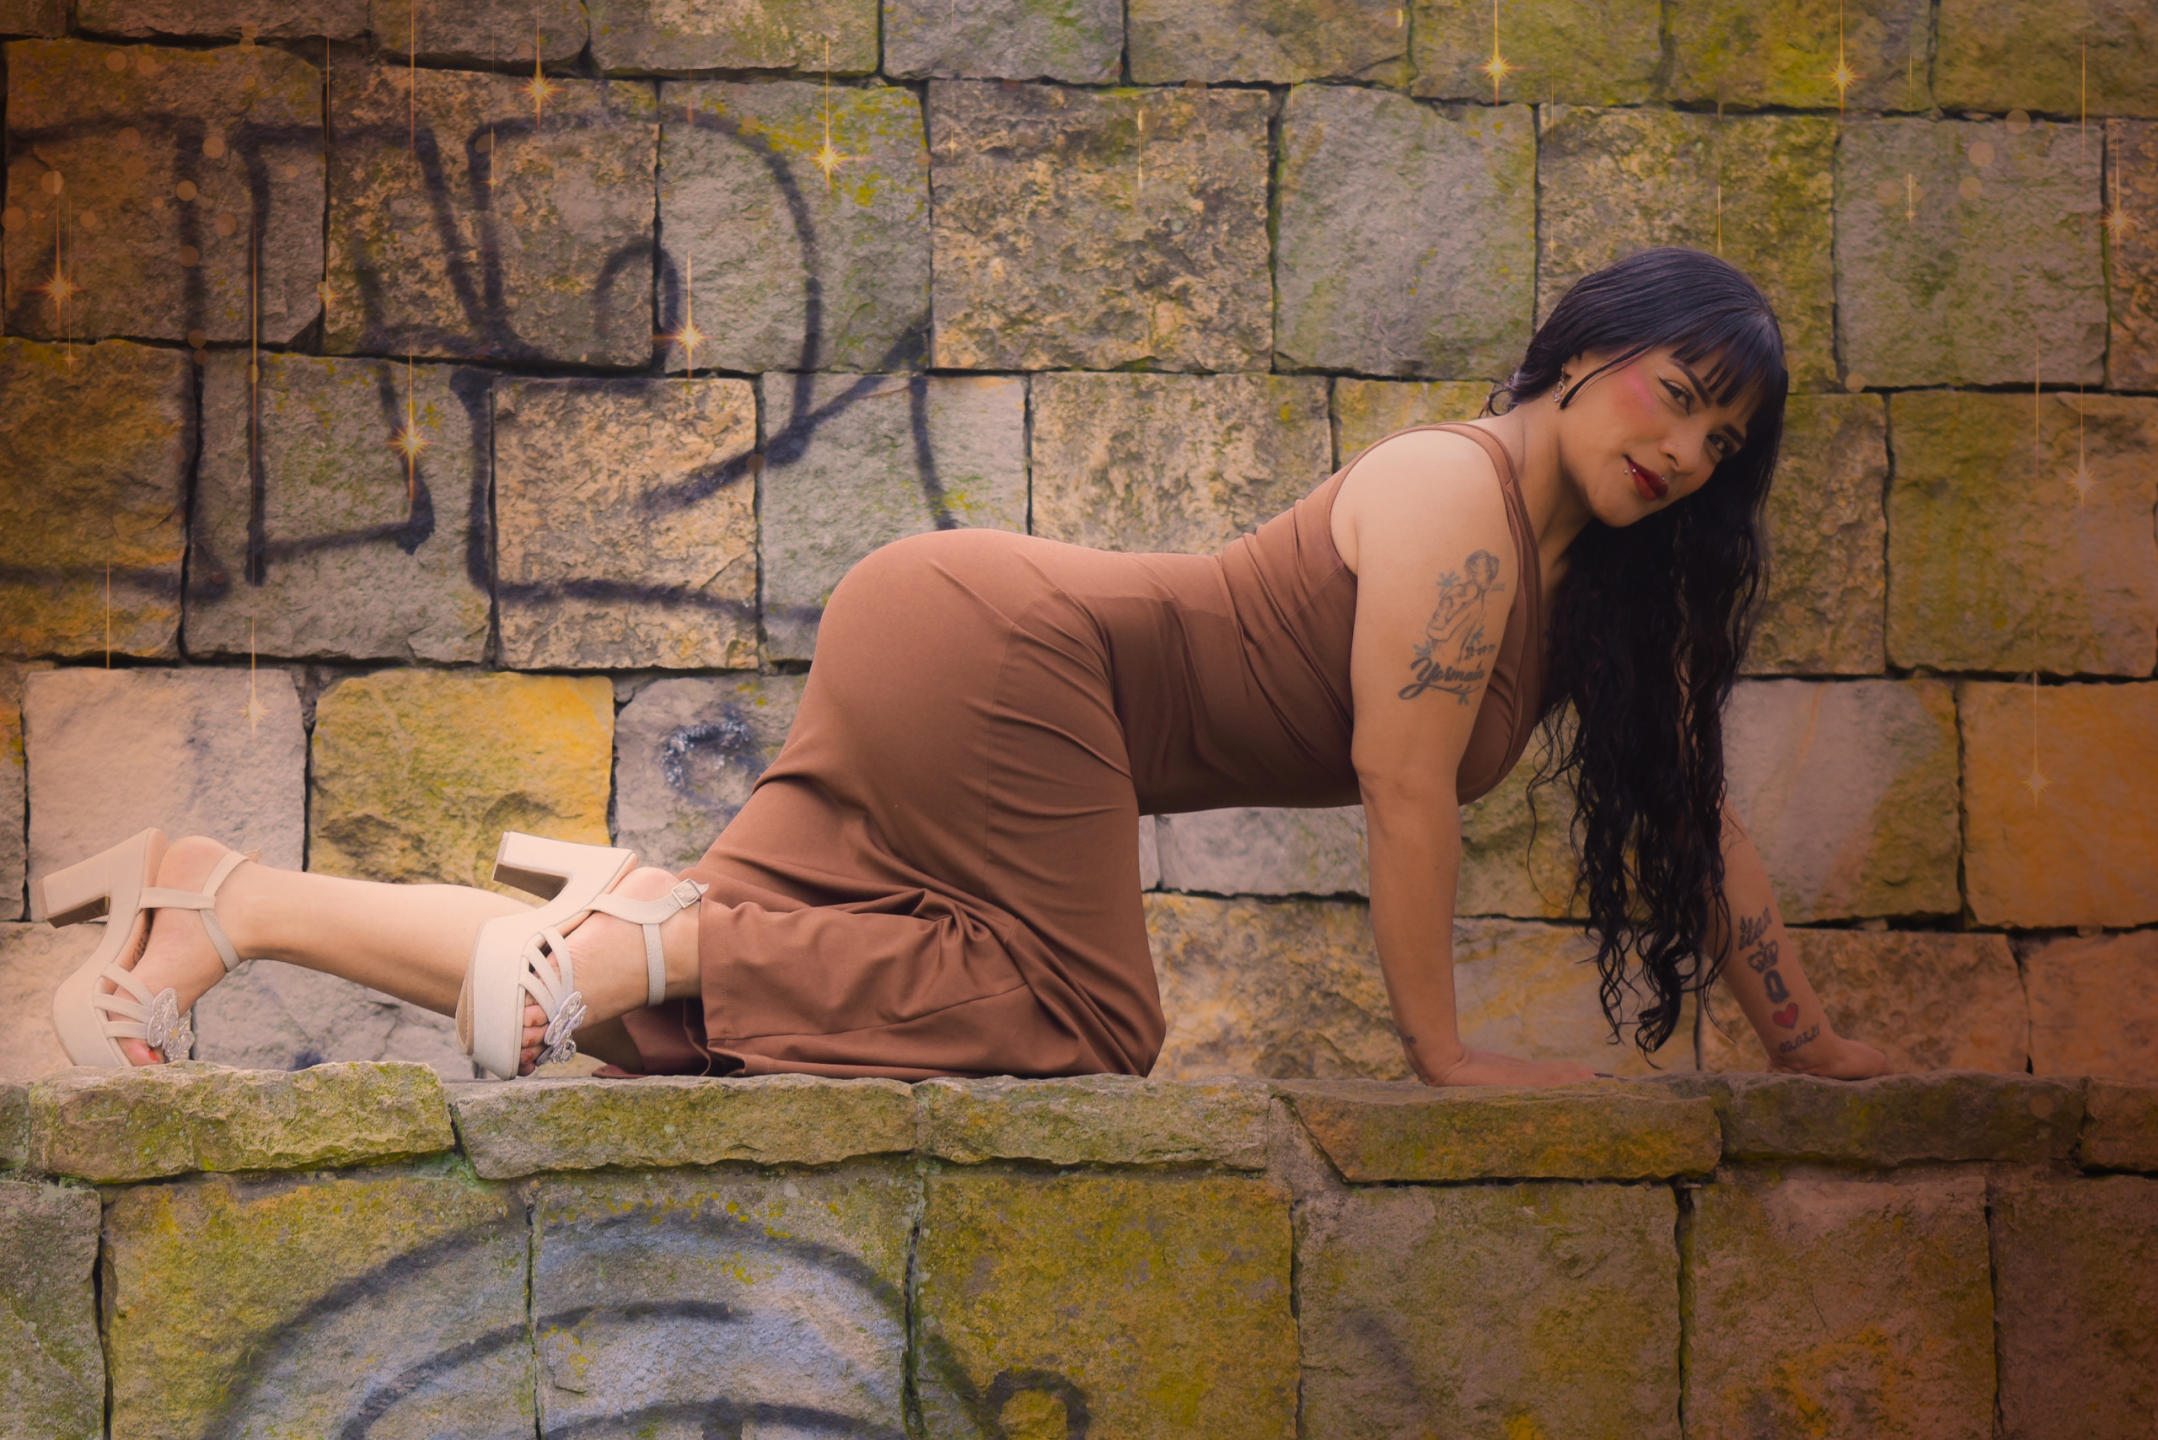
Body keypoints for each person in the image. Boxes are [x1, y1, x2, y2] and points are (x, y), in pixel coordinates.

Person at [43, 245, 1892, 1087]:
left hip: (975, 653)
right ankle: (658, 927)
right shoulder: (1448, 496)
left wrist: (1807, 1048)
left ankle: (227, 903)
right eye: (1674, 395)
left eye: (1722, 442)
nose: (1683, 449)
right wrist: (1448, 1058)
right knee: (1088, 1014)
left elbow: (1697, 820)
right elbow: (1404, 786)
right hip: (1013, 649)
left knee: (655, 1022)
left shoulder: (1594, 599)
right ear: (1582, 356)